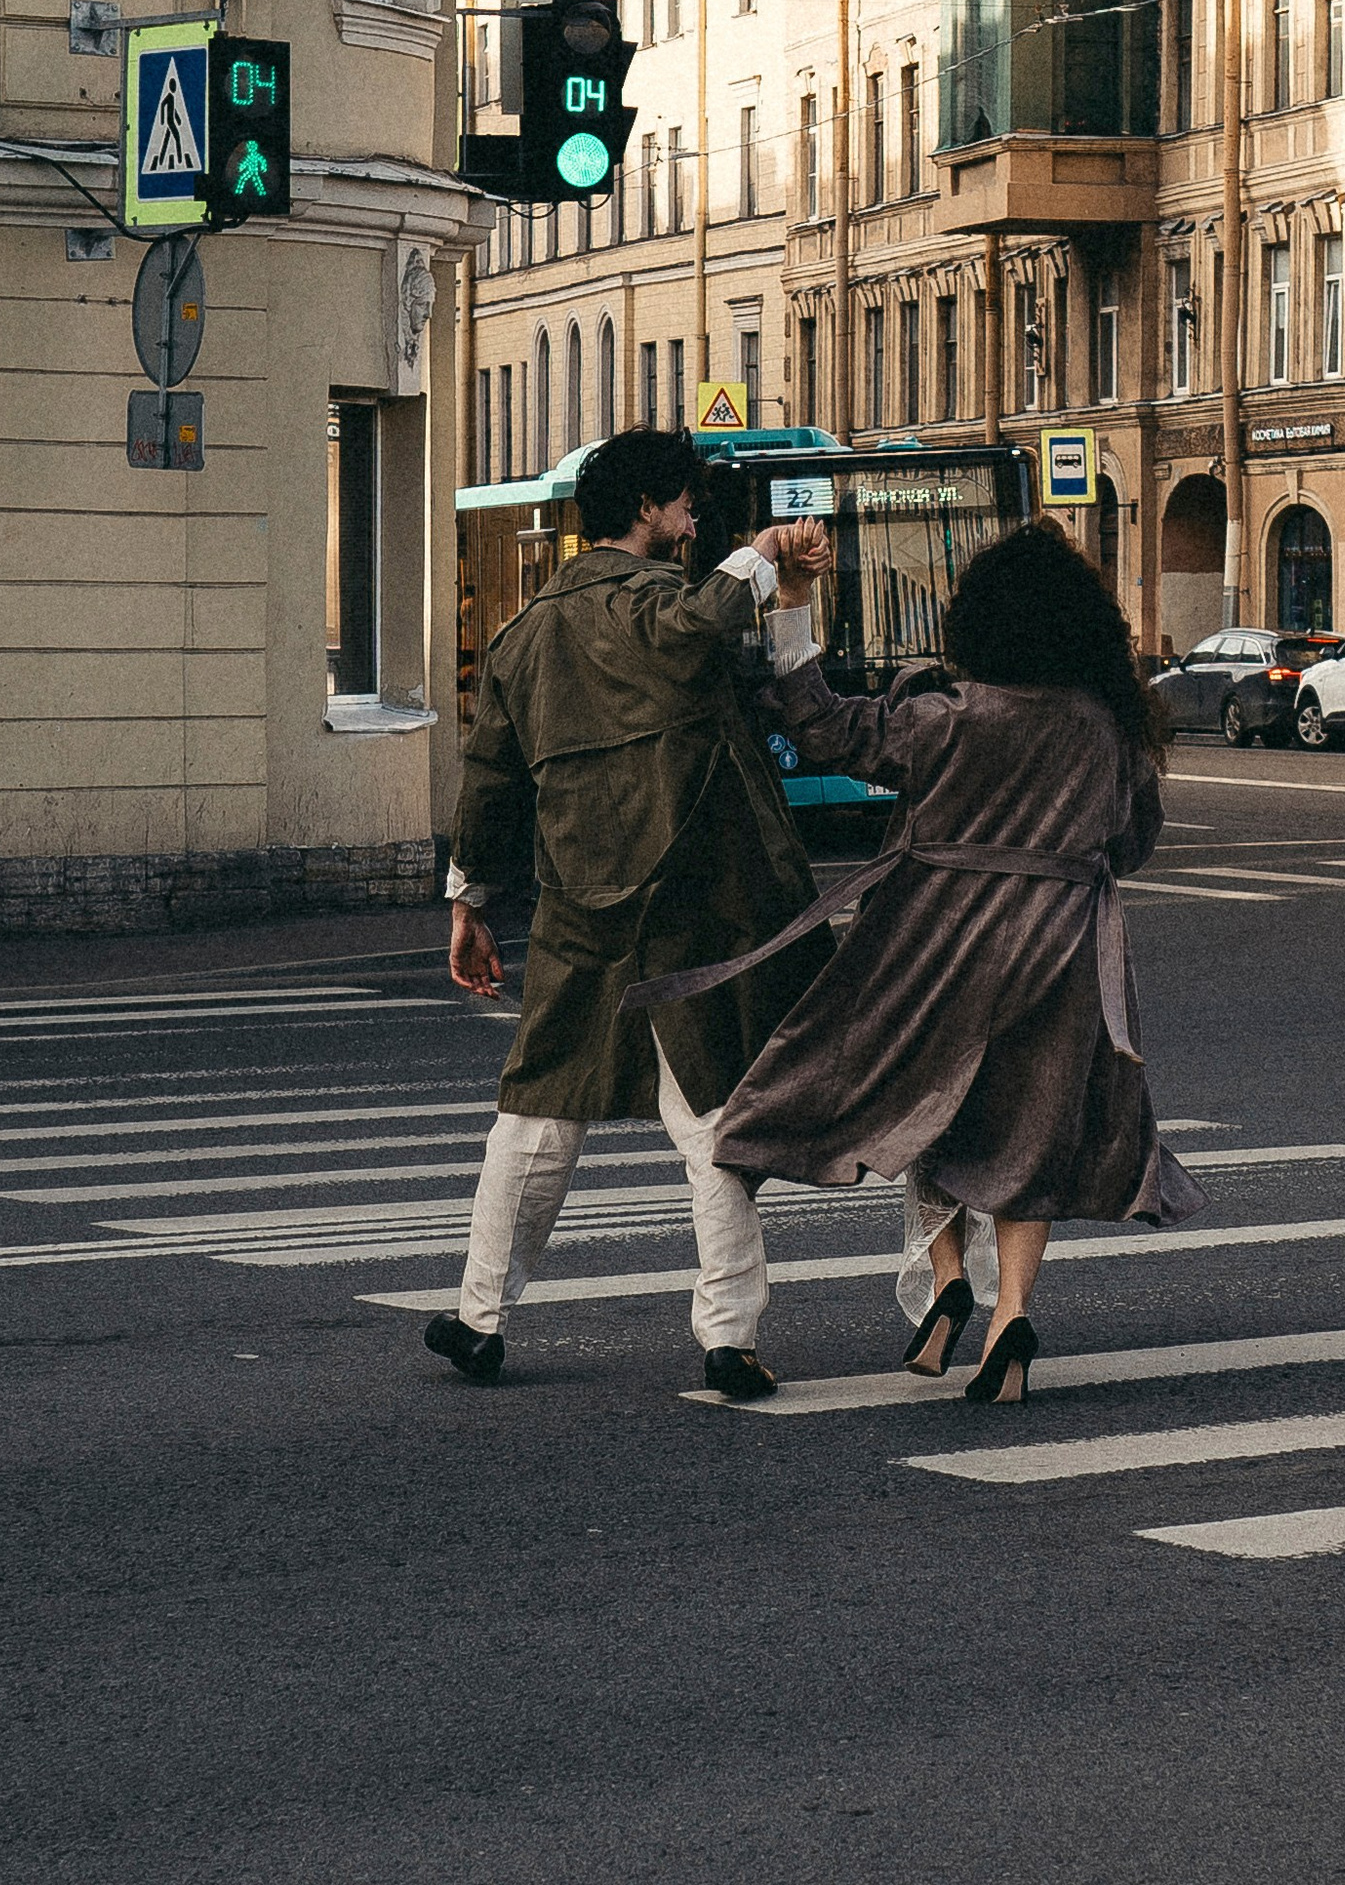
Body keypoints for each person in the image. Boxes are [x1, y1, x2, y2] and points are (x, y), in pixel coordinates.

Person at [710, 520, 1203, 1403]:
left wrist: (793, 607)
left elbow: (824, 730)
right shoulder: (1107, 728)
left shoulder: (950, 717)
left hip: (938, 943)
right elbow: (1132, 844)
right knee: (1030, 1136)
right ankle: (1012, 1315)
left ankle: (946, 1287)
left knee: (924, 1111)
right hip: (1064, 953)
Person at [427, 426, 821, 1402]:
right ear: (647, 509)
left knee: (535, 1120)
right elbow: (739, 659)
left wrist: (467, 901)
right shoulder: (663, 611)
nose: (694, 518)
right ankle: (728, 1337)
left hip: (575, 914)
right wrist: (769, 559)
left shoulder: (522, 638)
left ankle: (480, 1319)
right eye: (684, 501)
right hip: (685, 904)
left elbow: (488, 784)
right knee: (710, 1122)